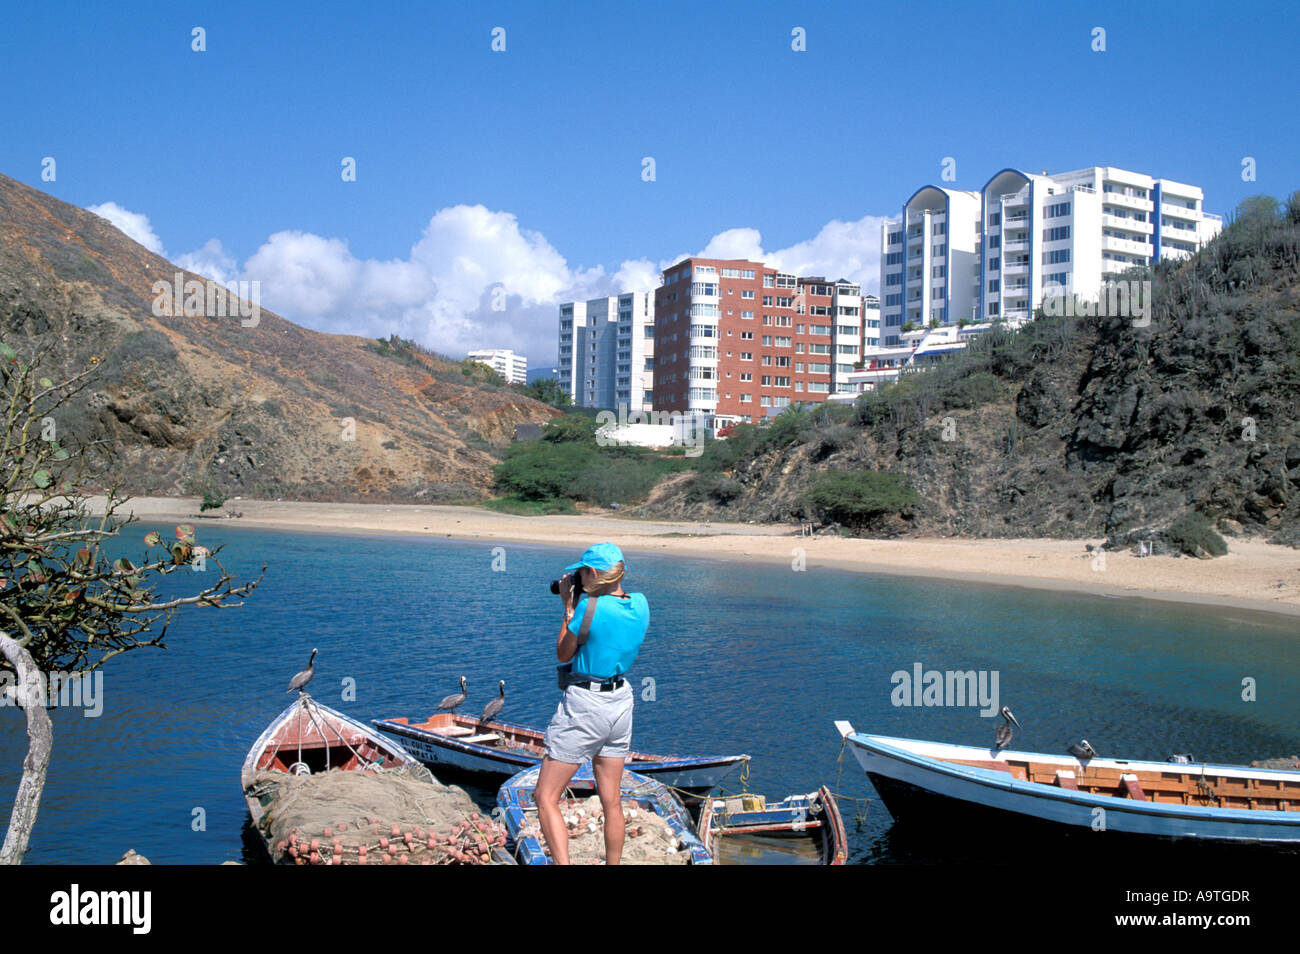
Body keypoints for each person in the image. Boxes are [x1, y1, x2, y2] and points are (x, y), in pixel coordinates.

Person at [536, 542, 649, 865]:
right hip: (621, 700)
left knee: (545, 796)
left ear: (595, 574)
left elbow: (563, 653)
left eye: (583, 572)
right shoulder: (641, 604)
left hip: (587, 704)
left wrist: (569, 608)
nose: (579, 577)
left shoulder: (589, 608)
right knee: (611, 800)